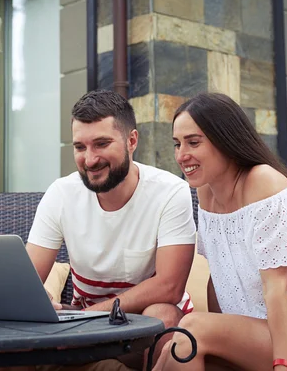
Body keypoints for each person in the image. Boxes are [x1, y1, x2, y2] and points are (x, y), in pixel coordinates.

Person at [155, 93, 287, 371]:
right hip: (261, 339)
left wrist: (282, 366)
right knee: (181, 345)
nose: (181, 155)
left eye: (193, 142)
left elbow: (277, 287)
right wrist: (220, 340)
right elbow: (217, 278)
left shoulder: (264, 183)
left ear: (224, 139)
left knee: (191, 328)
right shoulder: (206, 192)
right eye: (177, 144)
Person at [26, 89, 197, 369]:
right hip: (84, 328)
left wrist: (89, 318)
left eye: (101, 144)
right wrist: (34, 297)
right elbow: (28, 278)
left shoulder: (169, 192)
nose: (90, 160)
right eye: (80, 147)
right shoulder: (61, 193)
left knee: (161, 315)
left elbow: (170, 287)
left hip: (143, 326)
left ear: (131, 141)